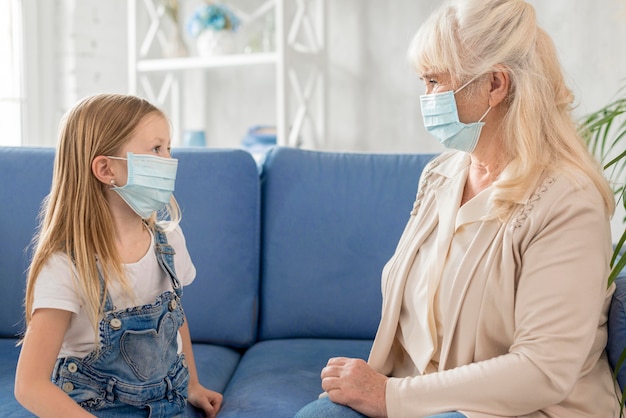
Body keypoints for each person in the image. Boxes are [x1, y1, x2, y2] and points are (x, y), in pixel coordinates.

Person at [295, 0, 619, 417]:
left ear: (495, 85)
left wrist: (388, 397)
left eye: (434, 81)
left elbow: (543, 370)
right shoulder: (441, 174)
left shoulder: (569, 201)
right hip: (426, 397)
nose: (425, 97)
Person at [14, 93, 223, 417]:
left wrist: (192, 385)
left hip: (169, 402)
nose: (168, 161)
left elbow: (176, 320)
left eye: (169, 148)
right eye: (156, 149)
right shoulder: (66, 266)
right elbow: (30, 385)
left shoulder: (170, 242)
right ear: (105, 168)